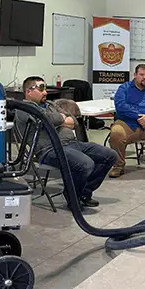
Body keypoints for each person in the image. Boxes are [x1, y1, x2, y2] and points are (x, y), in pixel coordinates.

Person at [15, 76, 117, 208]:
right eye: (41, 89)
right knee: (86, 164)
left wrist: (59, 120)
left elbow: (73, 122)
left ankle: (83, 192)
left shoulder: (50, 105)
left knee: (109, 155)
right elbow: (46, 118)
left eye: (45, 88)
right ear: (28, 91)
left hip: (72, 143)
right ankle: (73, 197)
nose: (45, 92)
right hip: (49, 150)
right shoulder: (24, 108)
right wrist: (61, 119)